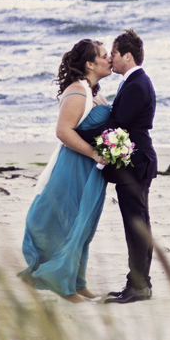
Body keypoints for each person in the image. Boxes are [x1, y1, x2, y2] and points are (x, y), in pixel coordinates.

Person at [19, 39, 112, 303]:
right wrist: (95, 153)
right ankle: (63, 285)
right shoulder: (76, 91)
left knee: (84, 225)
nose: (109, 59)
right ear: (90, 64)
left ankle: (77, 281)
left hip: (91, 170)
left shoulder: (95, 93)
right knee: (68, 221)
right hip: (74, 166)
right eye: (104, 56)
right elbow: (62, 131)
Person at [78, 29, 158, 304]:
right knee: (138, 225)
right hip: (136, 162)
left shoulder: (136, 83)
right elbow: (118, 120)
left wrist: (80, 133)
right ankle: (138, 284)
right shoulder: (132, 81)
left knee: (136, 226)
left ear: (127, 55)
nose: (110, 58)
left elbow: (117, 125)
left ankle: (139, 287)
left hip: (136, 163)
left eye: (113, 53)